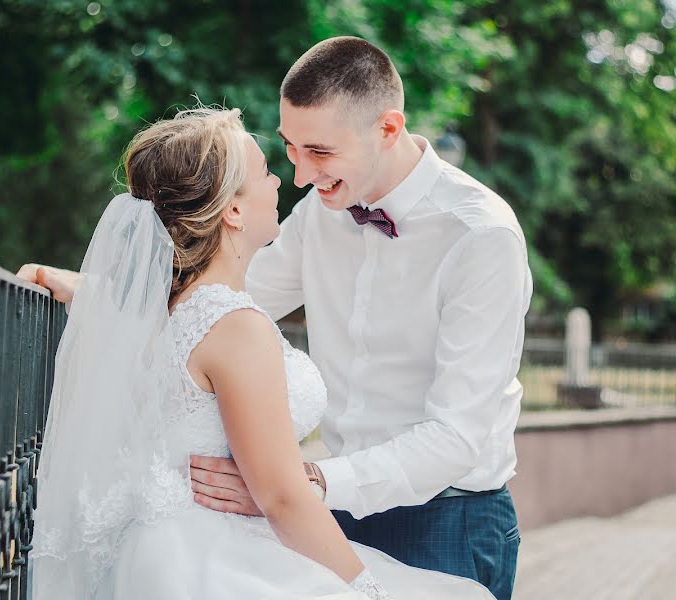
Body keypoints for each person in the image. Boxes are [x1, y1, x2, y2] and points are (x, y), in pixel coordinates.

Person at [27, 106, 493, 599]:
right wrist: (366, 586)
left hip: (169, 551)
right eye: (267, 172)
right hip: (215, 551)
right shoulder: (234, 327)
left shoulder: (173, 312)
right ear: (232, 210)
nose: (283, 182)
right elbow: (282, 498)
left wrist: (90, 289)